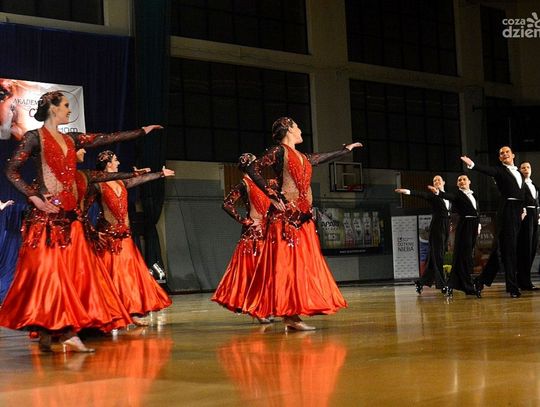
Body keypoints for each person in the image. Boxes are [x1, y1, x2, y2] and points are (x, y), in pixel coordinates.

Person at [0, 90, 162, 353]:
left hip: (71, 218)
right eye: (65, 105)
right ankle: (64, 332)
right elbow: (11, 170)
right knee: (51, 275)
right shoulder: (34, 138)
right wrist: (35, 197)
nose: (69, 110)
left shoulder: (71, 139)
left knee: (67, 276)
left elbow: (105, 138)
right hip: (48, 220)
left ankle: (51, 332)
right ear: (53, 108)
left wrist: (141, 132)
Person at [242, 117, 362, 331]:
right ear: (288, 129)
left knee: (300, 268)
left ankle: (292, 316)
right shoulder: (279, 151)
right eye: (297, 126)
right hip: (286, 219)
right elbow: (253, 168)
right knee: (287, 267)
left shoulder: (303, 157)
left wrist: (344, 151)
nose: (300, 130)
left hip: (303, 218)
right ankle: (290, 316)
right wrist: (271, 194)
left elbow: (320, 158)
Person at [92, 150, 173, 325]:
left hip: (125, 237)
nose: (118, 162)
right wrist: (93, 230)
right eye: (115, 160)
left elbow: (140, 180)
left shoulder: (122, 181)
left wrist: (159, 174)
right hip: (109, 238)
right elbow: (83, 205)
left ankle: (133, 311)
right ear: (108, 164)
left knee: (129, 276)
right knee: (111, 277)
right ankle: (111, 314)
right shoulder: (98, 185)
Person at [212, 153, 274, 323]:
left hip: (267, 232)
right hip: (253, 236)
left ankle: (264, 307)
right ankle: (256, 309)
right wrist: (243, 220)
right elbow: (227, 203)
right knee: (254, 273)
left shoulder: (263, 183)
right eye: (255, 162)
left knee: (267, 273)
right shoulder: (244, 184)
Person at [461, 146, 525, 298]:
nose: (504, 154)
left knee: (503, 250)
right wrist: (473, 165)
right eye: (501, 153)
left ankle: (481, 280)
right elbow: (488, 170)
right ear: (500, 158)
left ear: (513, 155)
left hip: (517, 211)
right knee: (509, 250)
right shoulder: (499, 171)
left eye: (507, 152)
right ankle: (512, 288)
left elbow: (522, 192)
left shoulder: (519, 173)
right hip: (507, 210)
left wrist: (523, 209)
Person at [395, 175, 450, 295]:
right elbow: (421, 194)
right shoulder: (432, 196)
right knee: (438, 256)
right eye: (434, 180)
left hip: (445, 227)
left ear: (443, 182)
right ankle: (443, 285)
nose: (436, 181)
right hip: (437, 227)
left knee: (435, 257)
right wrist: (408, 191)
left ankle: (421, 282)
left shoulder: (448, 196)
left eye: (438, 180)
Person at [429, 175, 481, 297]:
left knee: (465, 256)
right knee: (464, 256)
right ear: (457, 184)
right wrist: (438, 193)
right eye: (459, 180)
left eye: (464, 179)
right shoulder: (457, 195)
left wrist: (478, 224)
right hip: (465, 225)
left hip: (474, 225)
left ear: (469, 181)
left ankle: (453, 284)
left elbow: (477, 211)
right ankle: (466, 285)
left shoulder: (474, 195)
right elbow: (449, 196)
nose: (462, 181)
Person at [516, 161, 539, 291]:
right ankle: (524, 281)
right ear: (520, 170)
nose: (526, 169)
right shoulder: (519, 184)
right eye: (523, 168)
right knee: (525, 249)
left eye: (528, 167)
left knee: (533, 248)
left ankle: (524, 280)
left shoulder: (534, 185)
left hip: (535, 216)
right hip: (526, 217)